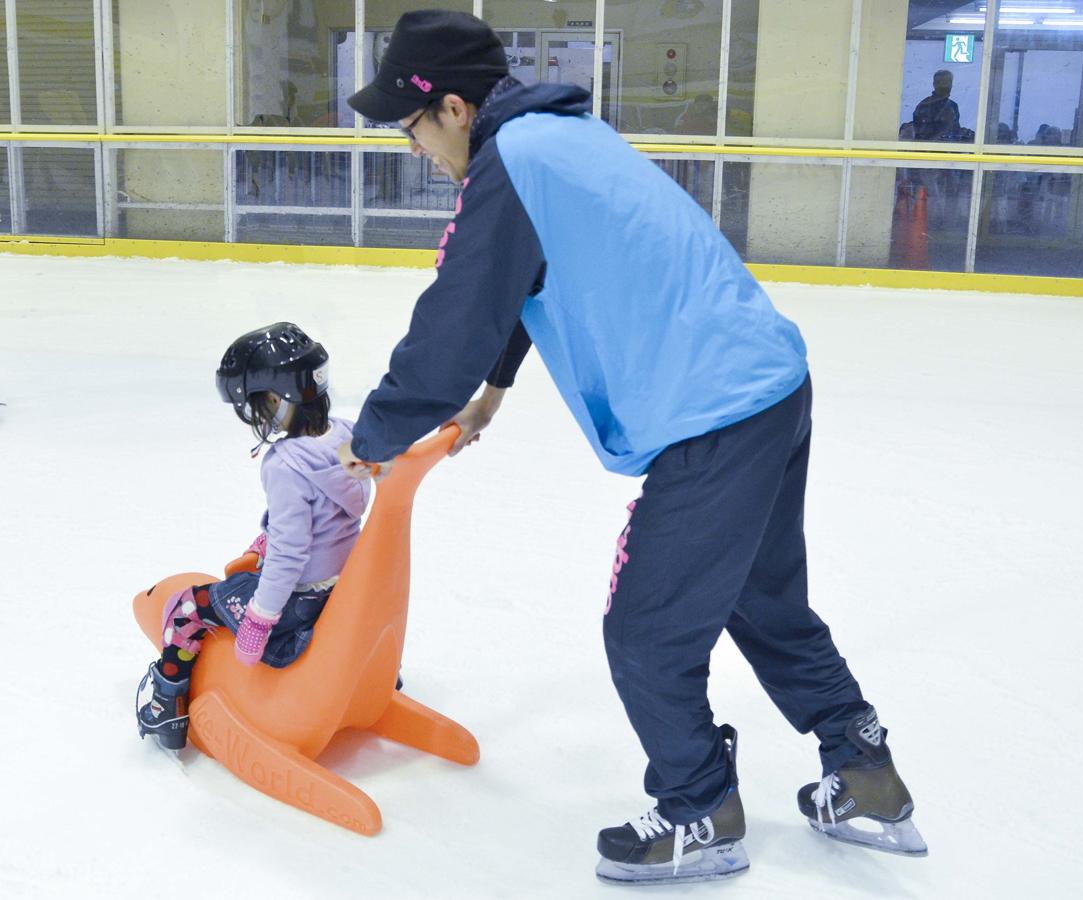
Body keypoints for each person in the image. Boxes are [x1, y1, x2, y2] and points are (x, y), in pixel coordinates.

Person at [339, 10, 926, 885]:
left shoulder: (514, 164)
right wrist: (495, 391)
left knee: (647, 630)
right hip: (765, 383)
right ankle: (866, 772)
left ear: (454, 109)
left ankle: (700, 812)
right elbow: (530, 277)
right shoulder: (558, 136)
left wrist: (369, 436)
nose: (417, 149)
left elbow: (457, 317)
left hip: (711, 412)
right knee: (762, 599)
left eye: (412, 127)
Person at [135, 323, 370, 751]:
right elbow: (327, 519)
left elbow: (289, 557)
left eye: (256, 407)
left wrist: (260, 619)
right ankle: (374, 676)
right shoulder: (345, 435)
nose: (256, 418)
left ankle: (167, 706)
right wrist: (266, 539)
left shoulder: (286, 464)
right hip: (344, 595)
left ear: (279, 401)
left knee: (189, 607)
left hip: (298, 604)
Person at [912, 69, 960, 141]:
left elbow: (956, 132)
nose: (945, 86)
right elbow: (923, 135)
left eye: (948, 82)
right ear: (934, 84)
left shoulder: (953, 106)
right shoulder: (925, 105)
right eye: (941, 82)